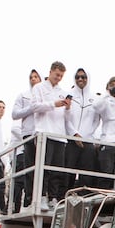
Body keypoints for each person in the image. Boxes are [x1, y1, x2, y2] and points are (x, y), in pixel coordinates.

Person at [32, 61, 75, 210]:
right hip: (44, 132)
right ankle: (42, 196)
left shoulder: (62, 91)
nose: (58, 78)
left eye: (61, 76)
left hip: (59, 134)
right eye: (57, 75)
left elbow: (67, 117)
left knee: (58, 169)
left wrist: (67, 108)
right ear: (50, 72)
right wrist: (53, 104)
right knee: (45, 168)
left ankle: (53, 197)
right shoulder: (39, 88)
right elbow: (35, 107)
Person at [65, 68, 101, 190]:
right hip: (71, 139)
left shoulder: (95, 98)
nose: (80, 79)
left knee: (87, 172)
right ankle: (63, 197)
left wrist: (86, 135)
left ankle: (84, 197)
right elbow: (66, 117)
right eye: (78, 77)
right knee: (68, 172)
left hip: (87, 140)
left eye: (83, 77)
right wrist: (74, 134)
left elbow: (96, 120)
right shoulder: (68, 95)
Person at [11, 69, 42, 211]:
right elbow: (15, 114)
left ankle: (41, 196)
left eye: (36, 77)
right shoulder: (23, 95)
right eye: (31, 77)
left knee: (44, 168)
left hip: (44, 133)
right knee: (30, 168)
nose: (33, 79)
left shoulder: (45, 94)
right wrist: (32, 108)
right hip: (29, 134)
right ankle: (29, 200)